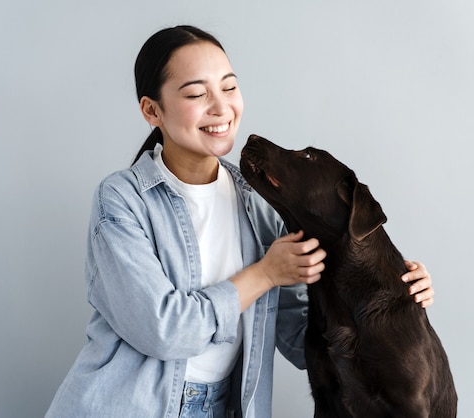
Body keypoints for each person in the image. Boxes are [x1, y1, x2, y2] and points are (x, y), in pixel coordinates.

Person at [45, 25, 435, 418]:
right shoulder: (123, 200)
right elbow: (164, 331)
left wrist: (396, 299)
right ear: (152, 110)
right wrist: (264, 275)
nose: (220, 107)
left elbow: (304, 338)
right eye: (197, 94)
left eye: (229, 87)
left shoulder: (261, 203)